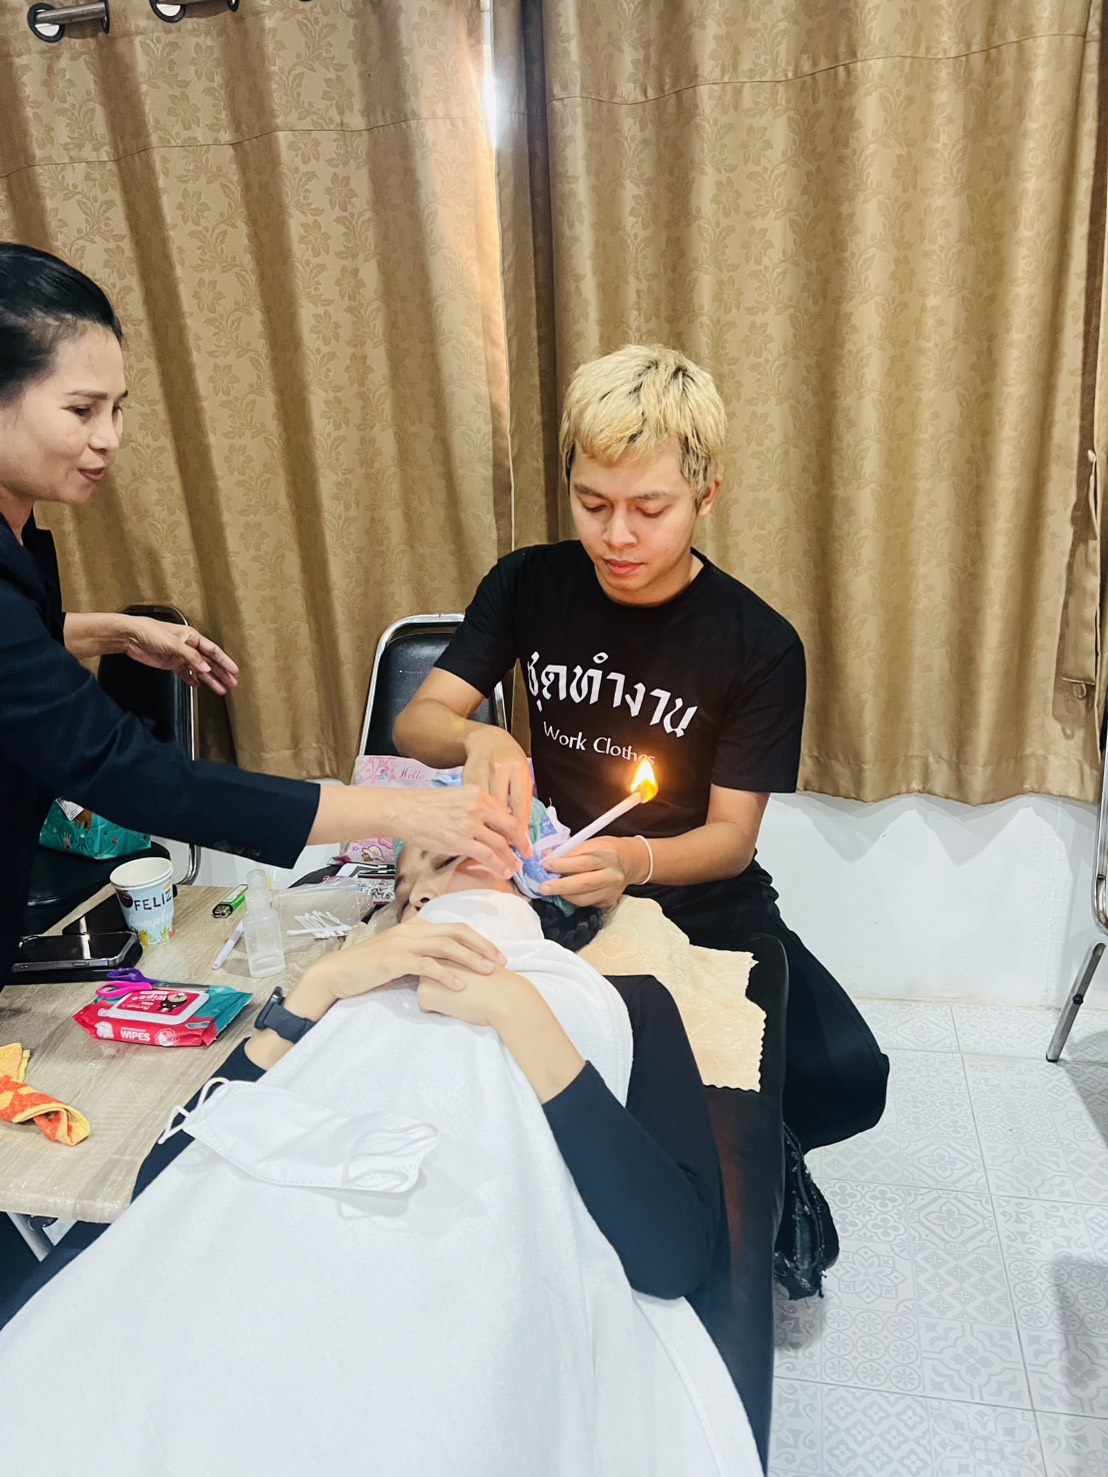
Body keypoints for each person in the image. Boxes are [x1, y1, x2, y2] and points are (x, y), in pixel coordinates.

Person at [0, 831, 763, 1476]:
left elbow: (671, 1255)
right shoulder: (347, 993)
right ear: (412, 906)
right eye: (422, 868)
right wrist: (320, 985)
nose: (442, 867)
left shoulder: (620, 998)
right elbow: (163, 1183)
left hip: (436, 1309)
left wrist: (519, 1010)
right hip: (240, 1280)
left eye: (466, 848)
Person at [393, 342, 888, 1155]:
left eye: (650, 509)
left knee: (846, 1075)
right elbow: (418, 722)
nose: (616, 535)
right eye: (592, 503)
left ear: (706, 493)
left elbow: (730, 840)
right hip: (554, 881)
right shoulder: (527, 584)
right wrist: (480, 732)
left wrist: (633, 859)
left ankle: (751, 1159)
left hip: (697, 892)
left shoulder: (759, 644)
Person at [0, 242, 527, 988]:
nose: (109, 437)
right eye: (82, 410)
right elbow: (131, 774)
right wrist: (404, 813)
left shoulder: (18, 533)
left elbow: (22, 643)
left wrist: (114, 630)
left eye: (118, 409)